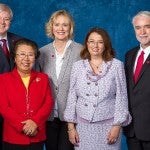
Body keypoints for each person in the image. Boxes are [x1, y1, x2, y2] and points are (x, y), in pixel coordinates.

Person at [64, 27, 131, 150]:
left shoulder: (116, 65)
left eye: (100, 42)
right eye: (91, 41)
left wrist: (117, 126)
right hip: (83, 128)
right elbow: (72, 96)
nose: (95, 45)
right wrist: (71, 128)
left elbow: (122, 96)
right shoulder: (77, 66)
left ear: (106, 45)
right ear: (87, 44)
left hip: (109, 127)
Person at [38, 10, 82, 150]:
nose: (61, 29)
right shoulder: (42, 52)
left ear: (70, 28)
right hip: (48, 116)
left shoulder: (81, 51)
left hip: (72, 117)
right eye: (57, 24)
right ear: (51, 27)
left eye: (65, 25)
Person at [0, 39, 53, 150]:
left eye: (30, 55)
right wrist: (23, 126)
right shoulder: (4, 79)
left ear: (35, 58)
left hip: (36, 134)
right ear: (15, 57)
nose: (26, 59)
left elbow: (48, 104)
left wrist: (35, 123)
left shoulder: (43, 78)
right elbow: (4, 107)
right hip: (13, 136)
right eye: (22, 54)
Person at [0, 3, 29, 149]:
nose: (2, 23)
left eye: (6, 19)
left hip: (17, 108)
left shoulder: (20, 41)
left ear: (10, 21)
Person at [123, 11, 150, 150]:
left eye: (147, 27)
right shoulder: (130, 55)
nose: (143, 32)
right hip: (132, 129)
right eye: (138, 28)